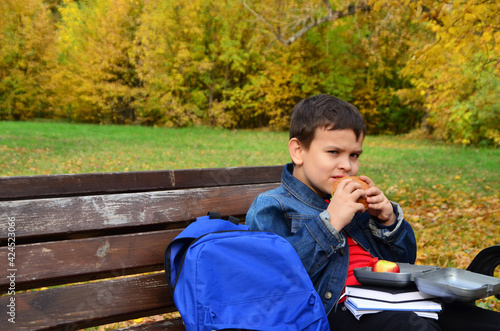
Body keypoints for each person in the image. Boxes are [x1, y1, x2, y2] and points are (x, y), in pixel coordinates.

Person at [245, 94, 500, 330]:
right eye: (333, 152)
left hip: (393, 298)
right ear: (298, 151)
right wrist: (330, 222)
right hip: (335, 310)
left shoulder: (356, 202)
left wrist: (388, 220)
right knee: (413, 327)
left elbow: (403, 262)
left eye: (354, 155)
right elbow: (273, 283)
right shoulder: (273, 207)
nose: (346, 166)